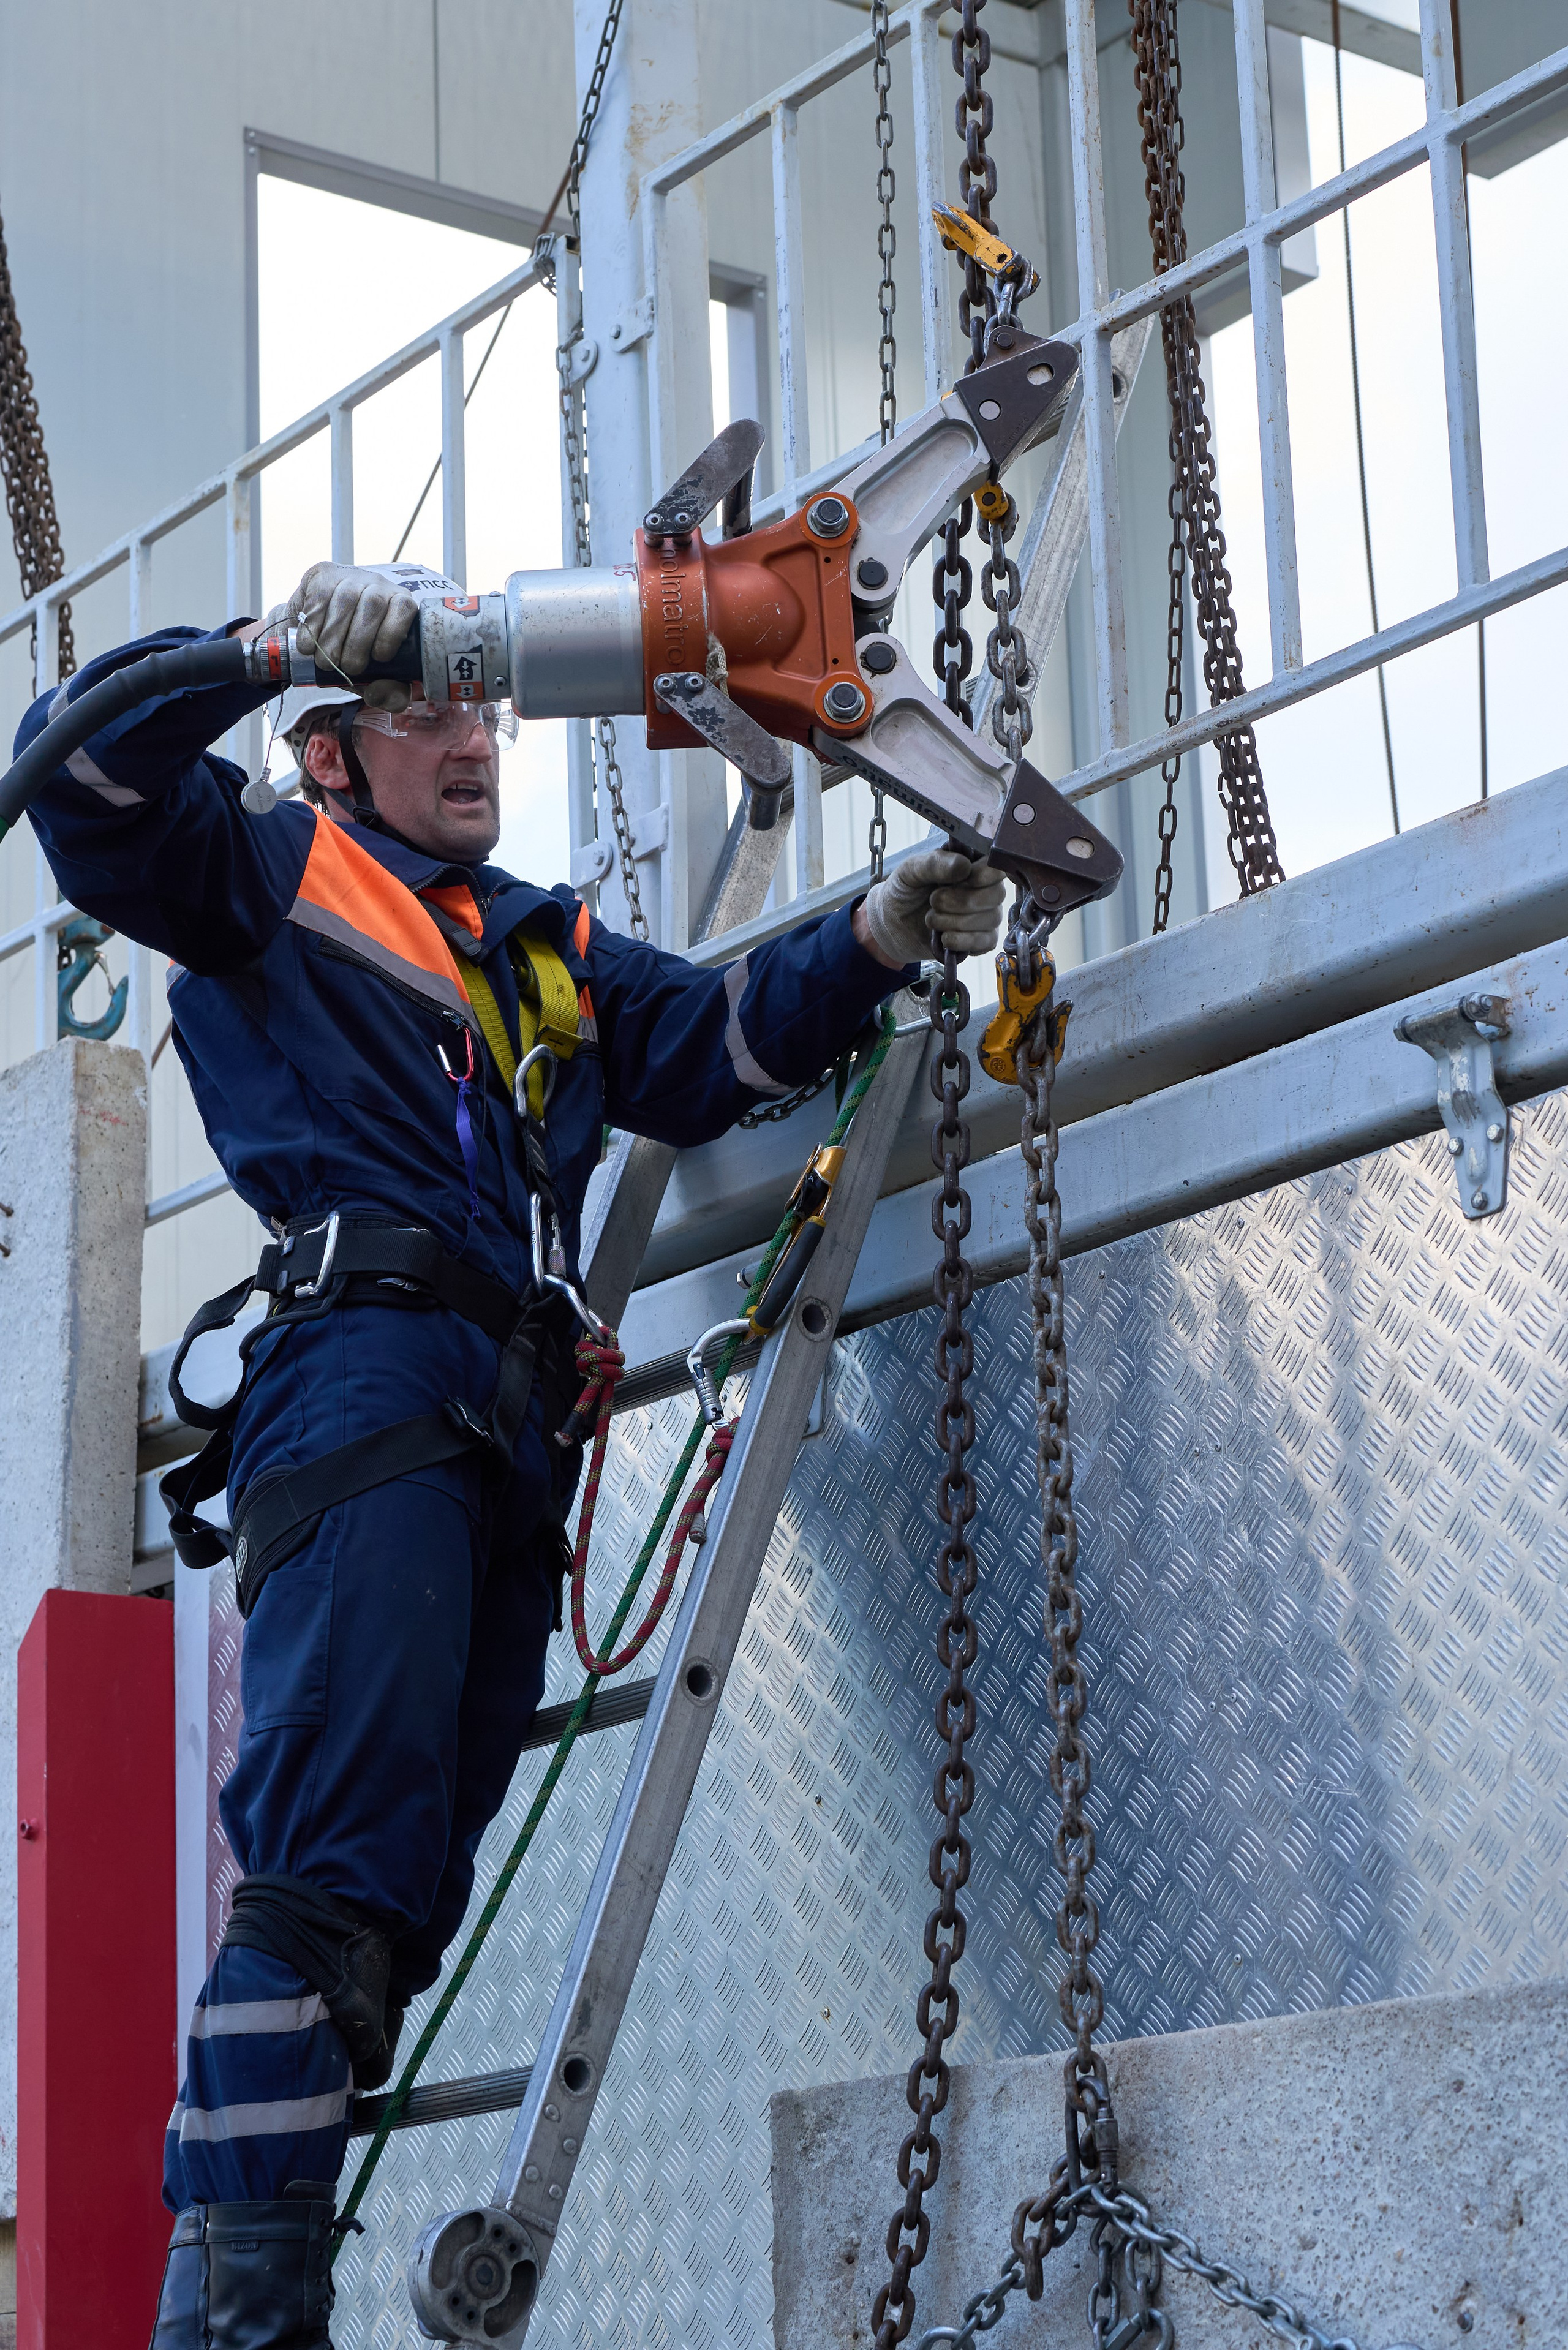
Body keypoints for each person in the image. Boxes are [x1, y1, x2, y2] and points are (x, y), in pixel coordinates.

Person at [19, 559, 1006, 2350]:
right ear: (331, 751)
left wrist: (873, 938)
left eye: (478, 703)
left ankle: (258, 2281)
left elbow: (709, 1049)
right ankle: (231, 2321)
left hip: (506, 1430)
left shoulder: (542, 948)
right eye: (421, 706)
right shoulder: (262, 868)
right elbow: (77, 776)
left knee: (396, 1903)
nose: (470, 737)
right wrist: (258, 650)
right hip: (366, 1384)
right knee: (329, 1871)